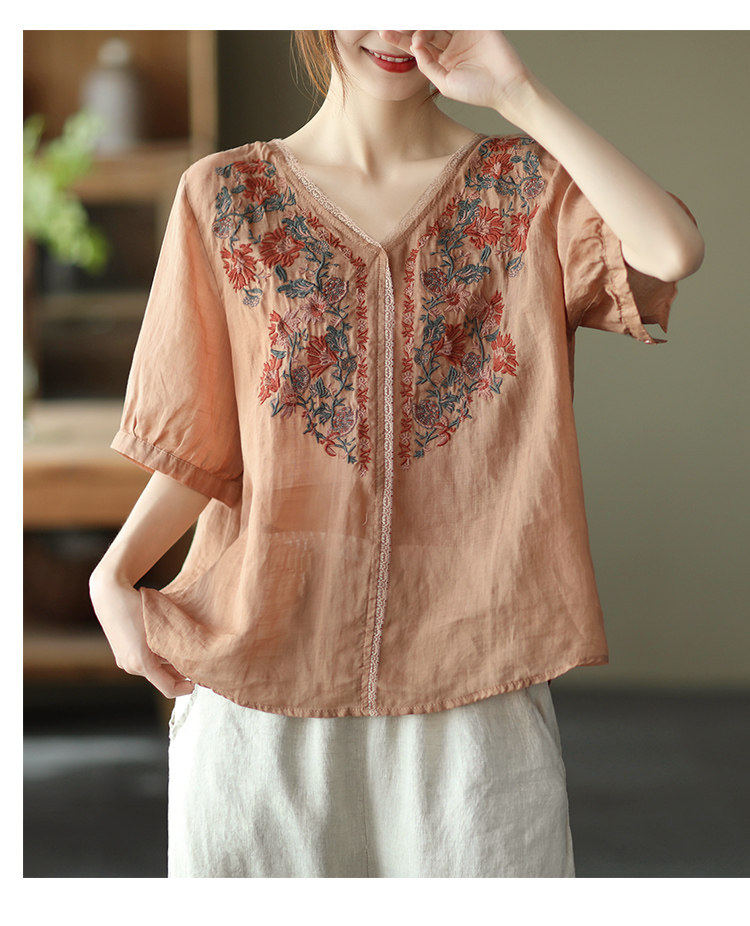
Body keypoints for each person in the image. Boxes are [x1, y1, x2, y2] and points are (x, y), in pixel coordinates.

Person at [88, 30, 704, 878]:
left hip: (477, 696)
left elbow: (671, 251)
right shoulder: (225, 197)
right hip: (260, 693)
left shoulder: (529, 190)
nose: (398, 30)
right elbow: (209, 444)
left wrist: (517, 92)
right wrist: (114, 572)